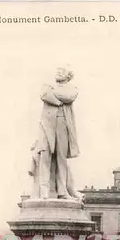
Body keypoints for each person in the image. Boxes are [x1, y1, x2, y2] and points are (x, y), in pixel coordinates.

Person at [30, 66, 82, 200]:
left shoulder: (72, 88)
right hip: (47, 124)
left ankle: (63, 191)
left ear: (68, 76)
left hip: (63, 123)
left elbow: (70, 97)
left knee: (61, 158)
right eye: (57, 71)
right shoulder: (48, 85)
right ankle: (44, 191)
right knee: (45, 156)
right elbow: (44, 95)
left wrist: (54, 95)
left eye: (62, 71)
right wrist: (60, 100)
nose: (58, 72)